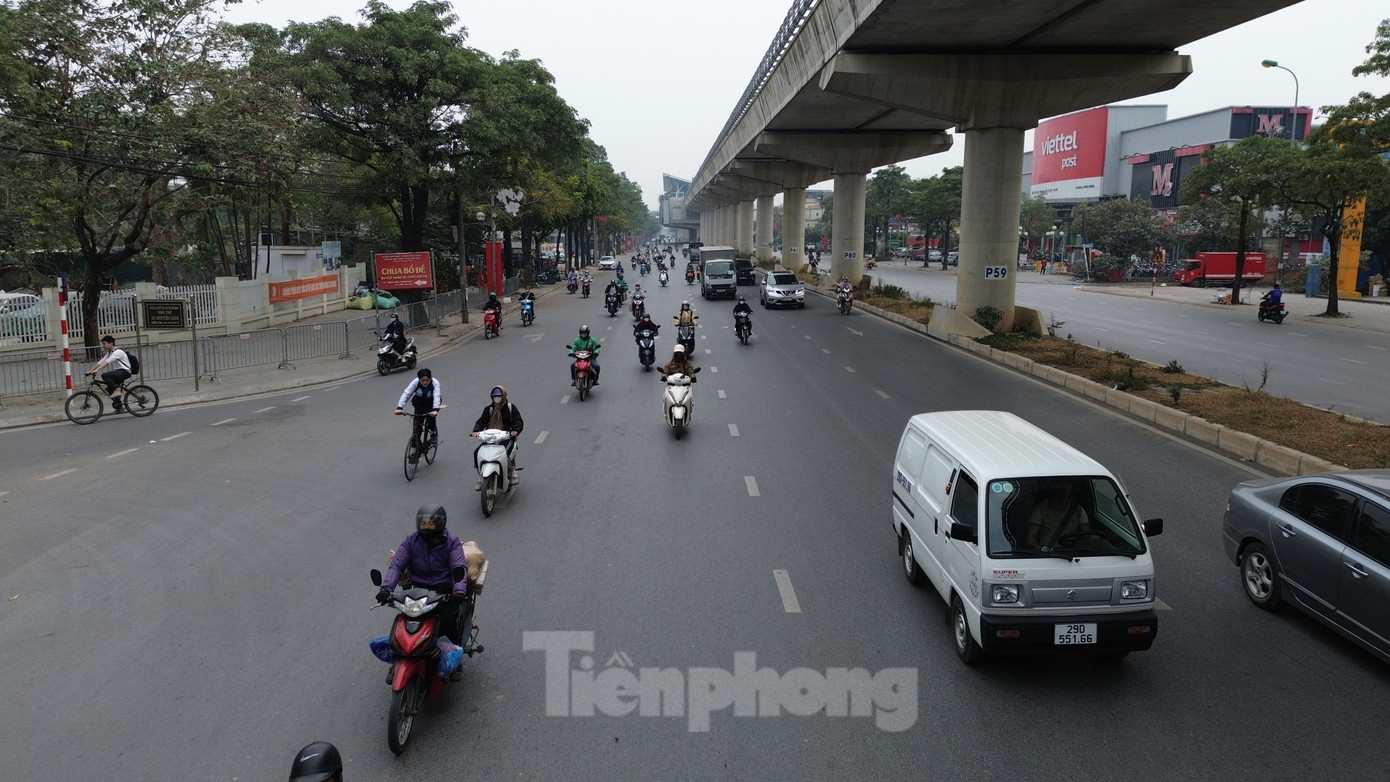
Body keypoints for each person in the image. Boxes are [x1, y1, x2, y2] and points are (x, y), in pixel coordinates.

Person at [376, 504, 472, 655]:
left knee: (447, 623)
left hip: (443, 593)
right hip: (415, 591)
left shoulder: (452, 542)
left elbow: (458, 567)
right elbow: (397, 565)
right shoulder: (410, 540)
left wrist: (459, 591)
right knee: (403, 622)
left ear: (440, 524)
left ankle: (454, 659)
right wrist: (386, 589)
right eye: (423, 524)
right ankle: (396, 660)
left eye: (431, 524)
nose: (427, 527)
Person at [472, 386, 523, 488]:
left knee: (505, 453)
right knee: (477, 453)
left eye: (499, 396)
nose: (497, 398)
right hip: (491, 438)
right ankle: (480, 477)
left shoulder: (510, 408)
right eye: (495, 396)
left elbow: (518, 421)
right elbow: (481, 421)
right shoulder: (489, 409)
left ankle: (512, 472)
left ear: (503, 396)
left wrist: (515, 430)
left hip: (506, 437)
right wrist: (476, 431)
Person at [1024, 480, 1093, 549]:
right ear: (1053, 485)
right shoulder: (1041, 509)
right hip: (1047, 555)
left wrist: (1093, 538)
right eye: (1061, 483)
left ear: (1071, 487)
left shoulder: (1079, 510)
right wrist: (1040, 550)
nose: (1065, 488)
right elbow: (1031, 537)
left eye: (1068, 484)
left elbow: (1086, 534)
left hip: (1072, 555)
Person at [395, 368, 441, 460]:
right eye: (422, 380)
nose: (425, 383)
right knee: (417, 427)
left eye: (427, 380)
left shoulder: (435, 383)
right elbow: (406, 393)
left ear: (430, 379)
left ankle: (433, 434)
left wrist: (435, 410)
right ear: (419, 379)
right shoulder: (415, 382)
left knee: (430, 418)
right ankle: (416, 449)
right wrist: (399, 407)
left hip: (431, 402)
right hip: (419, 402)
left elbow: (437, 396)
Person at [85, 335, 131, 410]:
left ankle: (116, 391)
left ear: (111, 343)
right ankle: (119, 406)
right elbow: (101, 361)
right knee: (110, 389)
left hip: (125, 371)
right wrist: (91, 370)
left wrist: (97, 370)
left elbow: (108, 362)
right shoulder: (110, 352)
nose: (103, 346)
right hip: (119, 372)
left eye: (104, 344)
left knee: (105, 375)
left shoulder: (118, 352)